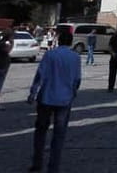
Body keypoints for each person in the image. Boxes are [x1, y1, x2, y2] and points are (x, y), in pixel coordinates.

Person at [28, 29, 81, 173]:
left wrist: (33, 93)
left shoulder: (50, 55)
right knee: (59, 134)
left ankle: (37, 163)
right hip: (64, 99)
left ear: (58, 40)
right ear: (70, 42)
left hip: (46, 97)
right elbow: (77, 79)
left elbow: (40, 75)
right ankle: (53, 167)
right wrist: (73, 93)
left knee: (40, 131)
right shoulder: (75, 57)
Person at [0, 29, 15, 111]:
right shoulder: (4, 43)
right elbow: (8, 50)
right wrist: (12, 43)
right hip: (1, 66)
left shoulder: (0, 42)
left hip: (1, 66)